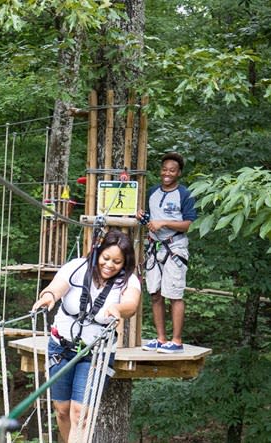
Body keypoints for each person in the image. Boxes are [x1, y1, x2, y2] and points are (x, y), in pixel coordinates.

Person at [31, 230, 141, 442]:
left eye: (117, 262)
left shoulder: (129, 280)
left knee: (80, 413)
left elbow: (131, 304)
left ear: (125, 263)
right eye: (106, 258)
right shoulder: (77, 268)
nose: (109, 265)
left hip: (96, 354)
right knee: (62, 410)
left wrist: (118, 309)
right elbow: (56, 288)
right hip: (60, 348)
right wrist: (48, 297)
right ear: (97, 253)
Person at [137, 152, 197, 354]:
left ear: (179, 173)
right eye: (164, 169)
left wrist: (164, 222)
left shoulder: (185, 194)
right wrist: (144, 217)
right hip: (154, 247)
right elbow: (151, 218)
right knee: (155, 293)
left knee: (174, 294)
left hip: (175, 247)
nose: (167, 173)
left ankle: (177, 340)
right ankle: (161, 339)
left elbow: (188, 224)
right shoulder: (153, 192)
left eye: (172, 170)